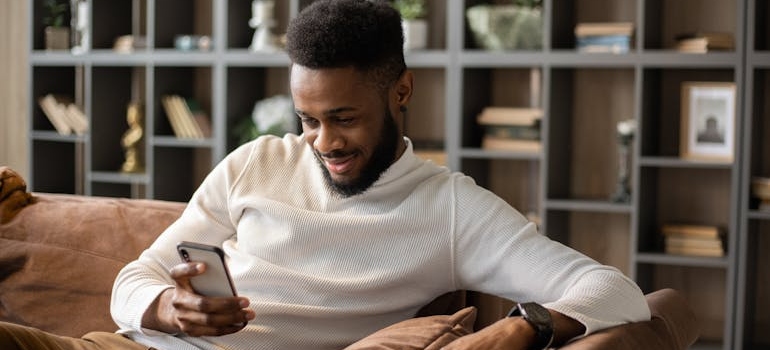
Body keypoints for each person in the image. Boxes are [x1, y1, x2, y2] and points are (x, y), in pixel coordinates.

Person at [0, 1, 650, 349]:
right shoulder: (258, 160)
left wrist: (524, 326)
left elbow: (614, 290)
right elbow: (134, 276)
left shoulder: (451, 208)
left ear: (401, 92)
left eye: (343, 118)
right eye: (308, 119)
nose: (322, 142)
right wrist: (168, 308)